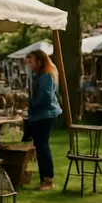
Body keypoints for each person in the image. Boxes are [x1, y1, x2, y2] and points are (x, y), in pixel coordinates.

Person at [25, 50, 62, 191]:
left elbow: (45, 98)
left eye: (31, 62)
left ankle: (48, 179)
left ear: (40, 61)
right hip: (41, 115)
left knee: (42, 146)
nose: (29, 65)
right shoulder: (40, 74)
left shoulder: (47, 75)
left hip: (46, 115)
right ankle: (44, 179)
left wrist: (31, 104)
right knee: (40, 147)